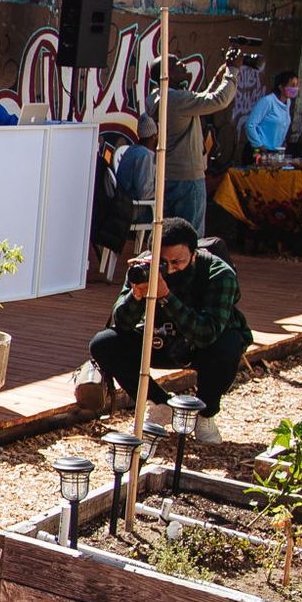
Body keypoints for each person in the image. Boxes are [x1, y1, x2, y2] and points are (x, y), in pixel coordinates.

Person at [87, 217, 250, 444]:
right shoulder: (144, 268)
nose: (171, 269)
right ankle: (160, 403)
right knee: (103, 343)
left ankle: (205, 413)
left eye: (178, 262)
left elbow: (207, 333)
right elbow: (121, 322)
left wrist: (165, 296)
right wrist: (136, 294)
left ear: (194, 254)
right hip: (159, 340)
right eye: (163, 262)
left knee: (228, 345)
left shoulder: (218, 273)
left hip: (201, 346)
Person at [145, 55, 237, 236]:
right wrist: (232, 72)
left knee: (168, 234)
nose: (184, 67)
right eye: (179, 64)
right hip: (188, 178)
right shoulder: (177, 99)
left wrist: (217, 80)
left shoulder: (158, 98)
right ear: (168, 73)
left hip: (167, 175)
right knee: (191, 237)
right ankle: (188, 265)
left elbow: (199, 102)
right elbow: (219, 101)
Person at [242, 71, 298, 157]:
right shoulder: (268, 101)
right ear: (281, 87)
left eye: (296, 85)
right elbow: (250, 125)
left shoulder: (288, 103)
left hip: (274, 153)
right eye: (292, 85)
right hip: (259, 152)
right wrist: (259, 145)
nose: (295, 88)